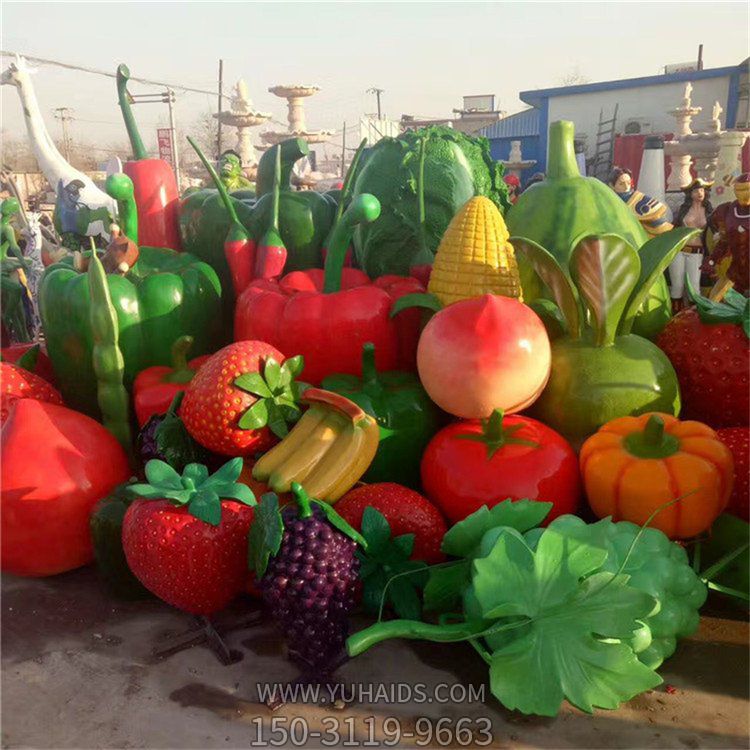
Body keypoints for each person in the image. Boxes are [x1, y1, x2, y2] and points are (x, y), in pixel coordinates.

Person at [669, 177, 714, 308]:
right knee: (677, 286)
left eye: (702, 190)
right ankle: (676, 313)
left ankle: (693, 314)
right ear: (690, 194)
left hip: (697, 252)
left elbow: (714, 231)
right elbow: (674, 228)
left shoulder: (709, 212)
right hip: (680, 250)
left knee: (694, 287)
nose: (700, 193)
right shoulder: (683, 210)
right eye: (696, 191)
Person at [705, 173, 750, 295]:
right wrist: (712, 260)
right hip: (735, 271)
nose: (743, 193)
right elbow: (724, 241)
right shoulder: (727, 211)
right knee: (714, 299)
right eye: (739, 190)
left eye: (746, 189)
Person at [608, 166, 673, 238]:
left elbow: (659, 223)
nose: (626, 187)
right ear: (612, 185)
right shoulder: (609, 201)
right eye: (621, 184)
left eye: (628, 183)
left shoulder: (639, 199)